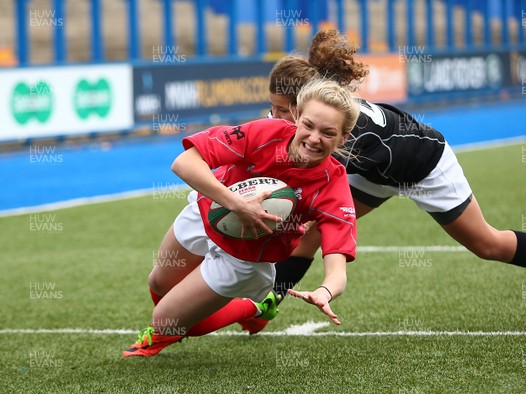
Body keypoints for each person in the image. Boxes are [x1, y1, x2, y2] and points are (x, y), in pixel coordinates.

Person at [227, 29, 526, 335]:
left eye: (280, 110)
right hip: (374, 171)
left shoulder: (338, 135)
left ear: (302, 104)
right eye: (272, 108)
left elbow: (308, 182)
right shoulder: (315, 115)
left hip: (423, 163)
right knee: (309, 231)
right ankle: (267, 307)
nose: (274, 117)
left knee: (488, 245)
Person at [122, 78, 361, 357]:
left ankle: (255, 305)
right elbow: (184, 162)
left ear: (343, 138)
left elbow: (337, 270)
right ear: (297, 116)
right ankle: (245, 306)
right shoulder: (266, 132)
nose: (314, 138)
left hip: (244, 257)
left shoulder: (333, 186)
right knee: (158, 283)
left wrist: (325, 291)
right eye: (308, 125)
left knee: (167, 323)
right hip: (208, 212)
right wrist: (237, 205)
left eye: (328, 133)